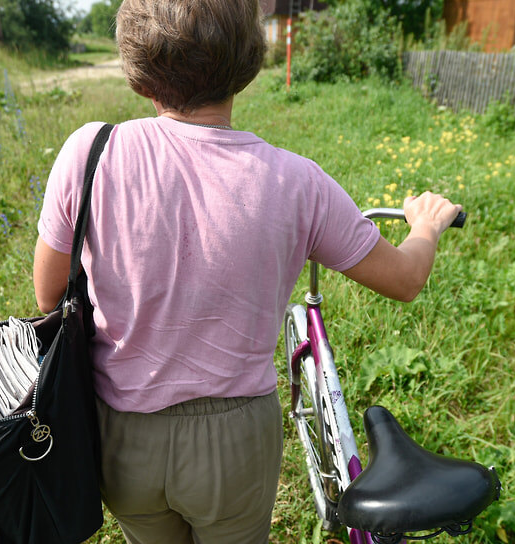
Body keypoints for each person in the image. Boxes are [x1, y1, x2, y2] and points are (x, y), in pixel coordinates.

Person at [32, 0, 462, 542]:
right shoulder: (297, 182)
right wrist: (425, 225)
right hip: (235, 442)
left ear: (139, 74)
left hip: (121, 434)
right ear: (247, 63)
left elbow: (49, 294)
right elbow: (405, 280)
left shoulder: (88, 153)